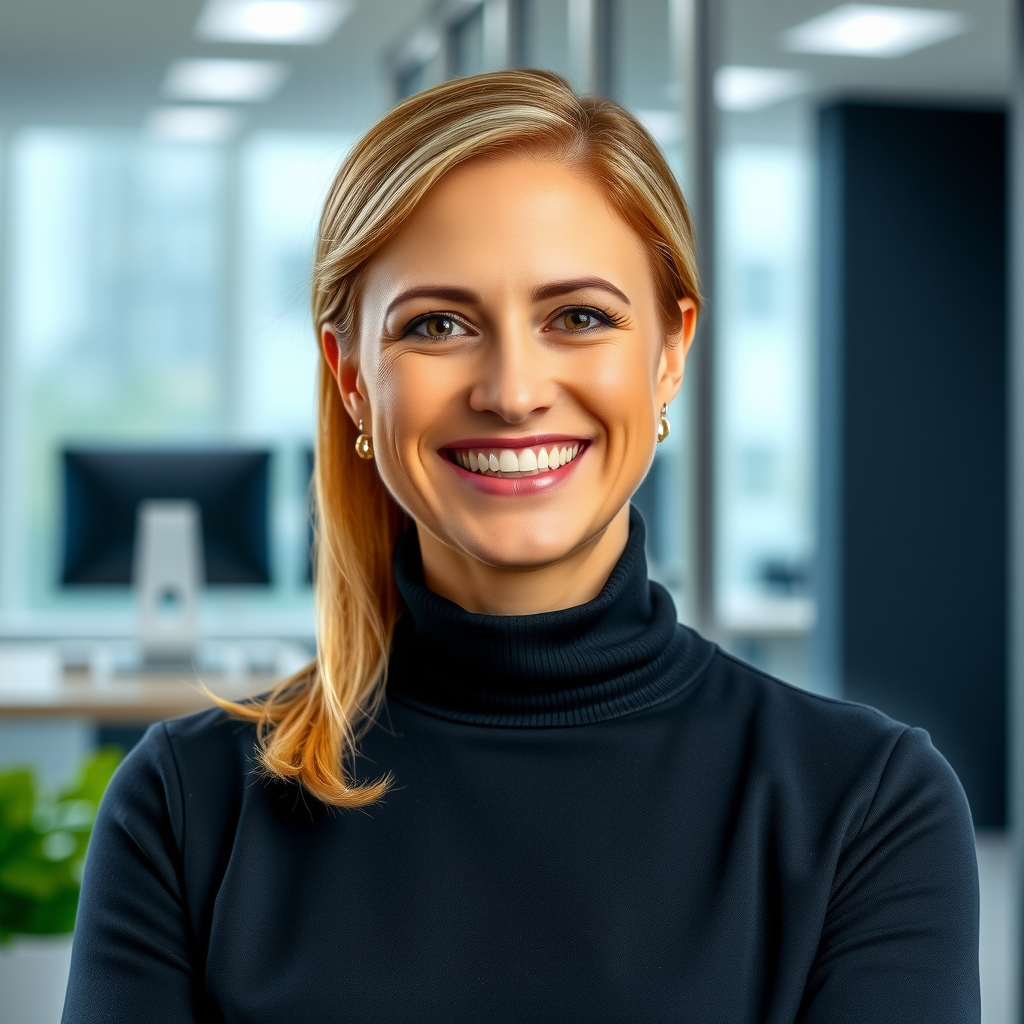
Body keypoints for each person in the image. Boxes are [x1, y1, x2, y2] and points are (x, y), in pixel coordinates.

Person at [62, 69, 979, 1023]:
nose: (511, 390)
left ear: (670, 352)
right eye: (438, 325)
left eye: (578, 317)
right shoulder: (188, 806)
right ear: (350, 377)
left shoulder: (866, 807)